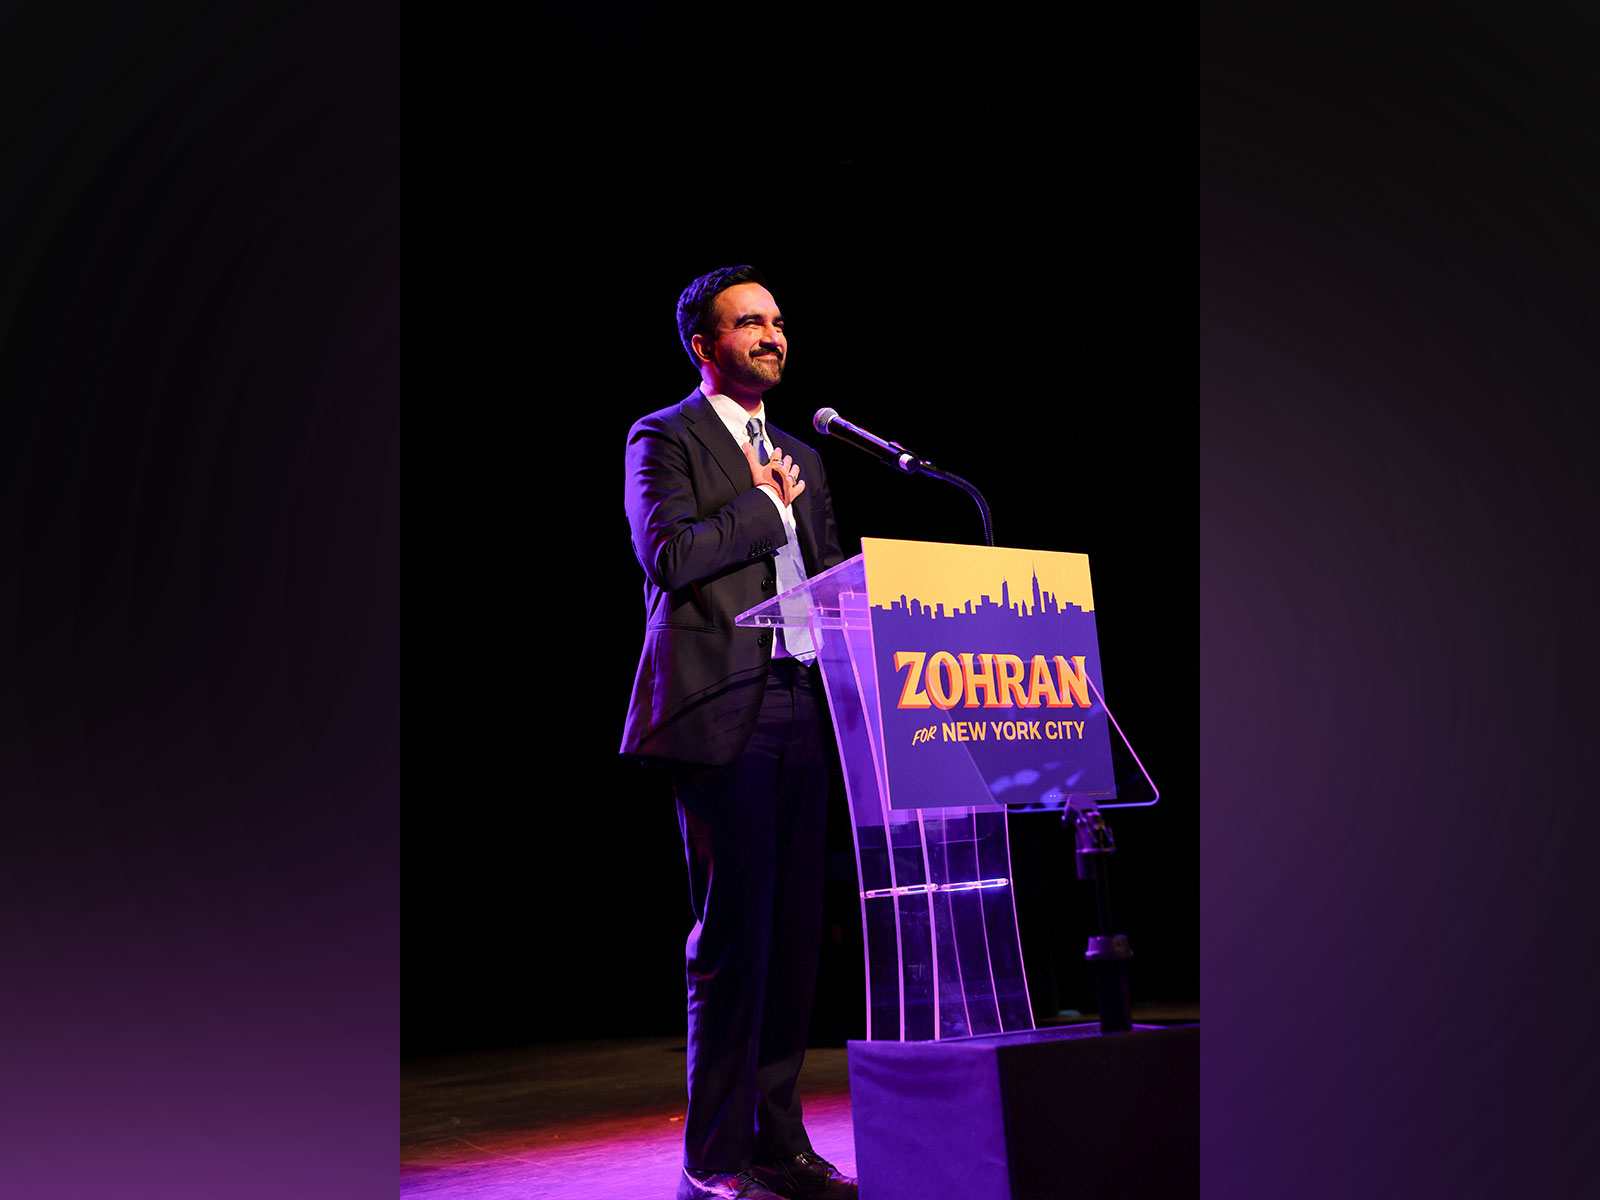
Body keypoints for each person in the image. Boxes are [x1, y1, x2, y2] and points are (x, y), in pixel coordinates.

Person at [621, 265, 857, 1200]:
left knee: (797, 934)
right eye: (749, 323)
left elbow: (829, 568)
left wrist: (874, 585)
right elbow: (670, 556)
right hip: (724, 710)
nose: (772, 335)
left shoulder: (807, 449)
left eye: (779, 321)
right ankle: (712, 1159)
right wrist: (762, 507)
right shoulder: (663, 436)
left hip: (808, 702)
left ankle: (777, 1141)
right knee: (733, 937)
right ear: (704, 346)